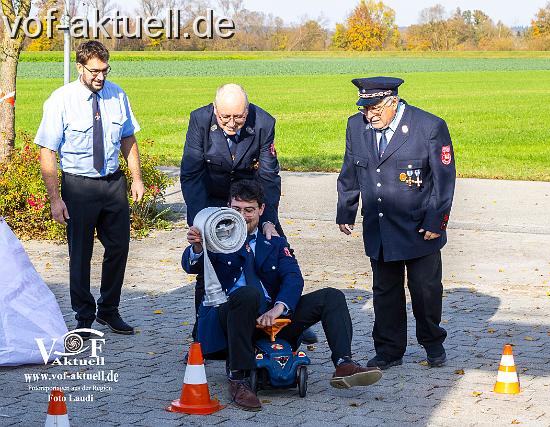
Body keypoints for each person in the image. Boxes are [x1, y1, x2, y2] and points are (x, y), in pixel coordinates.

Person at [182, 180, 382, 411]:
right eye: (236, 209)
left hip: (271, 316)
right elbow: (190, 266)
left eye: (249, 210)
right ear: (228, 207)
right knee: (247, 295)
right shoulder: (216, 235)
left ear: (261, 210)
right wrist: (197, 248)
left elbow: (293, 277)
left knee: (332, 296)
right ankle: (238, 379)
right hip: (231, 319)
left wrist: (279, 308)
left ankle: (344, 364)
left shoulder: (274, 240)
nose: (243, 216)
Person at [180, 83, 317, 344]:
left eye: (239, 116)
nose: (232, 123)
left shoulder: (264, 122)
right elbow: (191, 173)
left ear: (248, 109)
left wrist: (267, 220)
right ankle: (203, 329)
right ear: (214, 109)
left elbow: (268, 175)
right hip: (213, 197)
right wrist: (200, 223)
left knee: (275, 248)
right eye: (225, 117)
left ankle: (286, 318)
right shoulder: (199, 120)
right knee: (210, 259)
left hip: (250, 194)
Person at [336, 77, 456, 370]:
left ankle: (432, 343)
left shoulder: (429, 127)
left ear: (393, 102)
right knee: (385, 292)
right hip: (380, 226)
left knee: (425, 290)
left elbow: (444, 179)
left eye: (375, 107)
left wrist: (437, 222)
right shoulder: (356, 127)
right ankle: (389, 350)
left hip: (419, 228)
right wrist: (346, 210)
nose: (370, 114)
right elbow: (350, 169)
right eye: (365, 108)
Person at [34, 41, 144, 337]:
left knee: (119, 247)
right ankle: (84, 315)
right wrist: (55, 199)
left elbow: (128, 138)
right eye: (95, 71)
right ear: (80, 67)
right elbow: (47, 150)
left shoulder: (117, 94)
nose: (101, 77)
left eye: (105, 70)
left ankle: (109, 309)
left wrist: (136, 177)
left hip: (112, 182)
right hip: (78, 186)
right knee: (80, 253)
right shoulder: (61, 100)